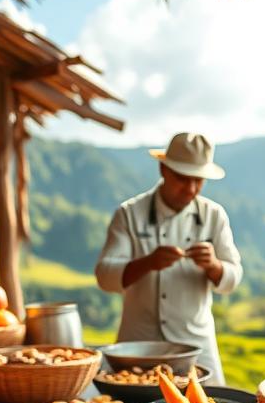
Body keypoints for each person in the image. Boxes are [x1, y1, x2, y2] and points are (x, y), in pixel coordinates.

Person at [95, 132, 242, 384]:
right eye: (183, 179)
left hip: (196, 345)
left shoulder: (214, 215)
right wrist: (147, 263)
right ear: (163, 169)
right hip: (137, 345)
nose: (191, 189)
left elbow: (233, 279)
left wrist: (214, 266)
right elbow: (105, 277)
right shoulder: (129, 213)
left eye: (199, 181)